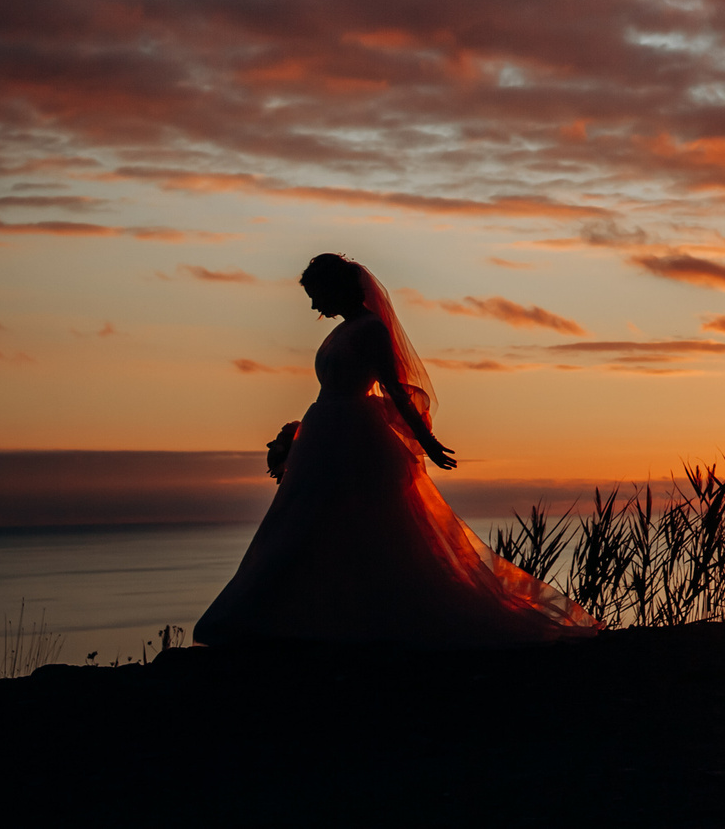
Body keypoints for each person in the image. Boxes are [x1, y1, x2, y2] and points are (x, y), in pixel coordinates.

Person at [197, 253, 598, 646]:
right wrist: (297, 436)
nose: (315, 306)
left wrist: (428, 442)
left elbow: (393, 387)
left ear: (336, 288)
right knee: (305, 522)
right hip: (325, 431)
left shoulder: (371, 329)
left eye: (317, 295)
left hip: (352, 437)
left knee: (344, 522)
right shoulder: (343, 330)